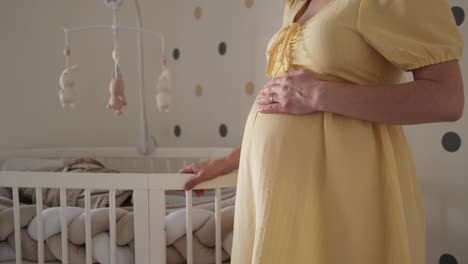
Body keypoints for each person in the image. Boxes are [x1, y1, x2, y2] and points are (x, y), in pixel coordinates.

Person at [179, 0, 464, 263]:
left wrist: (321, 94)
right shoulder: (297, 3)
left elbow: (448, 99)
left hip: (344, 187)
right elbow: (287, 99)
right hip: (275, 193)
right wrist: (230, 161)